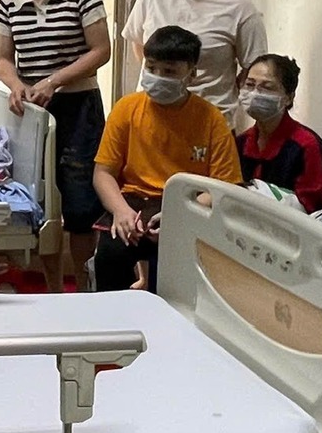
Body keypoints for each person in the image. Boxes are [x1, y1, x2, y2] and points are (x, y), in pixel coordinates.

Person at [0, 0, 112, 290]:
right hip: (32, 112)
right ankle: (53, 287)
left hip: (79, 109)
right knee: (39, 202)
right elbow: (3, 59)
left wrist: (53, 82)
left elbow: (101, 50)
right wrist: (16, 85)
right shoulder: (8, 0)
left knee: (80, 203)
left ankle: (84, 285)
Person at [91, 26, 242, 292]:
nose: (158, 77)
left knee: (177, 272)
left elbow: (225, 187)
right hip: (134, 203)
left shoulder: (212, 120)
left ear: (191, 74)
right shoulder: (126, 109)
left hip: (188, 205)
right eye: (152, 68)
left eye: (170, 71)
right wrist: (120, 211)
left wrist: (179, 215)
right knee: (110, 256)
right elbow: (103, 173)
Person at [121, 0, 267, 134]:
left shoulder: (240, 8)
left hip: (209, 124)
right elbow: (139, 44)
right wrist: (166, 80)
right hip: (153, 118)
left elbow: (253, 68)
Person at [236, 53, 322, 212]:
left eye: (267, 87)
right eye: (249, 85)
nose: (255, 93)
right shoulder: (241, 142)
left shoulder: (306, 147)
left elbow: (316, 211)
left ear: (288, 97)